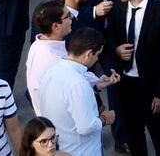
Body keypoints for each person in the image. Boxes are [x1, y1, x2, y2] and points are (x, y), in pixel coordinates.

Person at [109, 0, 160, 156]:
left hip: (151, 86)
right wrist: (116, 49)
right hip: (125, 83)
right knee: (133, 135)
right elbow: (110, 35)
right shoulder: (118, 6)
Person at [35, 27, 111, 156]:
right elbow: (86, 127)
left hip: (61, 146)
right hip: (82, 151)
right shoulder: (78, 84)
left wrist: (95, 87)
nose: (97, 59)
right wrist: (104, 119)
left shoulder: (52, 71)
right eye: (97, 55)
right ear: (88, 53)